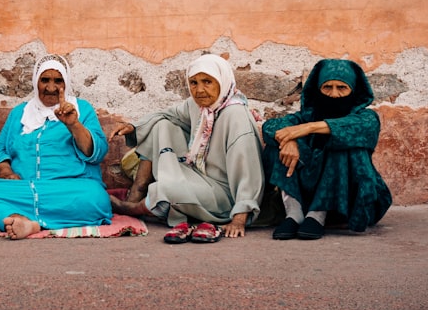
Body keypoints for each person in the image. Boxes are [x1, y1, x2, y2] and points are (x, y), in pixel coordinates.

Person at [109, 54, 264, 243]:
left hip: (223, 195)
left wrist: (240, 218)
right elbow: (166, 114)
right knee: (161, 124)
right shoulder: (197, 105)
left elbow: (249, 172)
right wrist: (133, 127)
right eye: (194, 82)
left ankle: (133, 208)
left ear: (222, 81)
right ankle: (137, 192)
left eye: (207, 82)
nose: (199, 90)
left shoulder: (236, 115)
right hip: (197, 174)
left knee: (165, 189)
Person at [0, 54, 112, 239]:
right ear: (36, 81)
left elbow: (97, 152)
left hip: (71, 189)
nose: (51, 88)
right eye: (45, 80)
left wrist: (73, 124)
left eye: (58, 81)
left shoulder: (81, 109)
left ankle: (19, 218)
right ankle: (20, 221)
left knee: (95, 197)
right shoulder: (20, 113)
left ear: (66, 82)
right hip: (25, 189)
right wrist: (6, 173)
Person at [261, 58, 392, 240]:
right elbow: (270, 126)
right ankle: (294, 214)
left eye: (342, 88)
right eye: (327, 87)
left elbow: (355, 128)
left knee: (343, 143)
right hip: (305, 194)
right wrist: (289, 141)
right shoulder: (306, 116)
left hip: (347, 201)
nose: (334, 95)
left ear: (353, 90)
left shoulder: (367, 117)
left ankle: (317, 215)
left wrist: (310, 128)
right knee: (277, 144)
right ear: (318, 89)